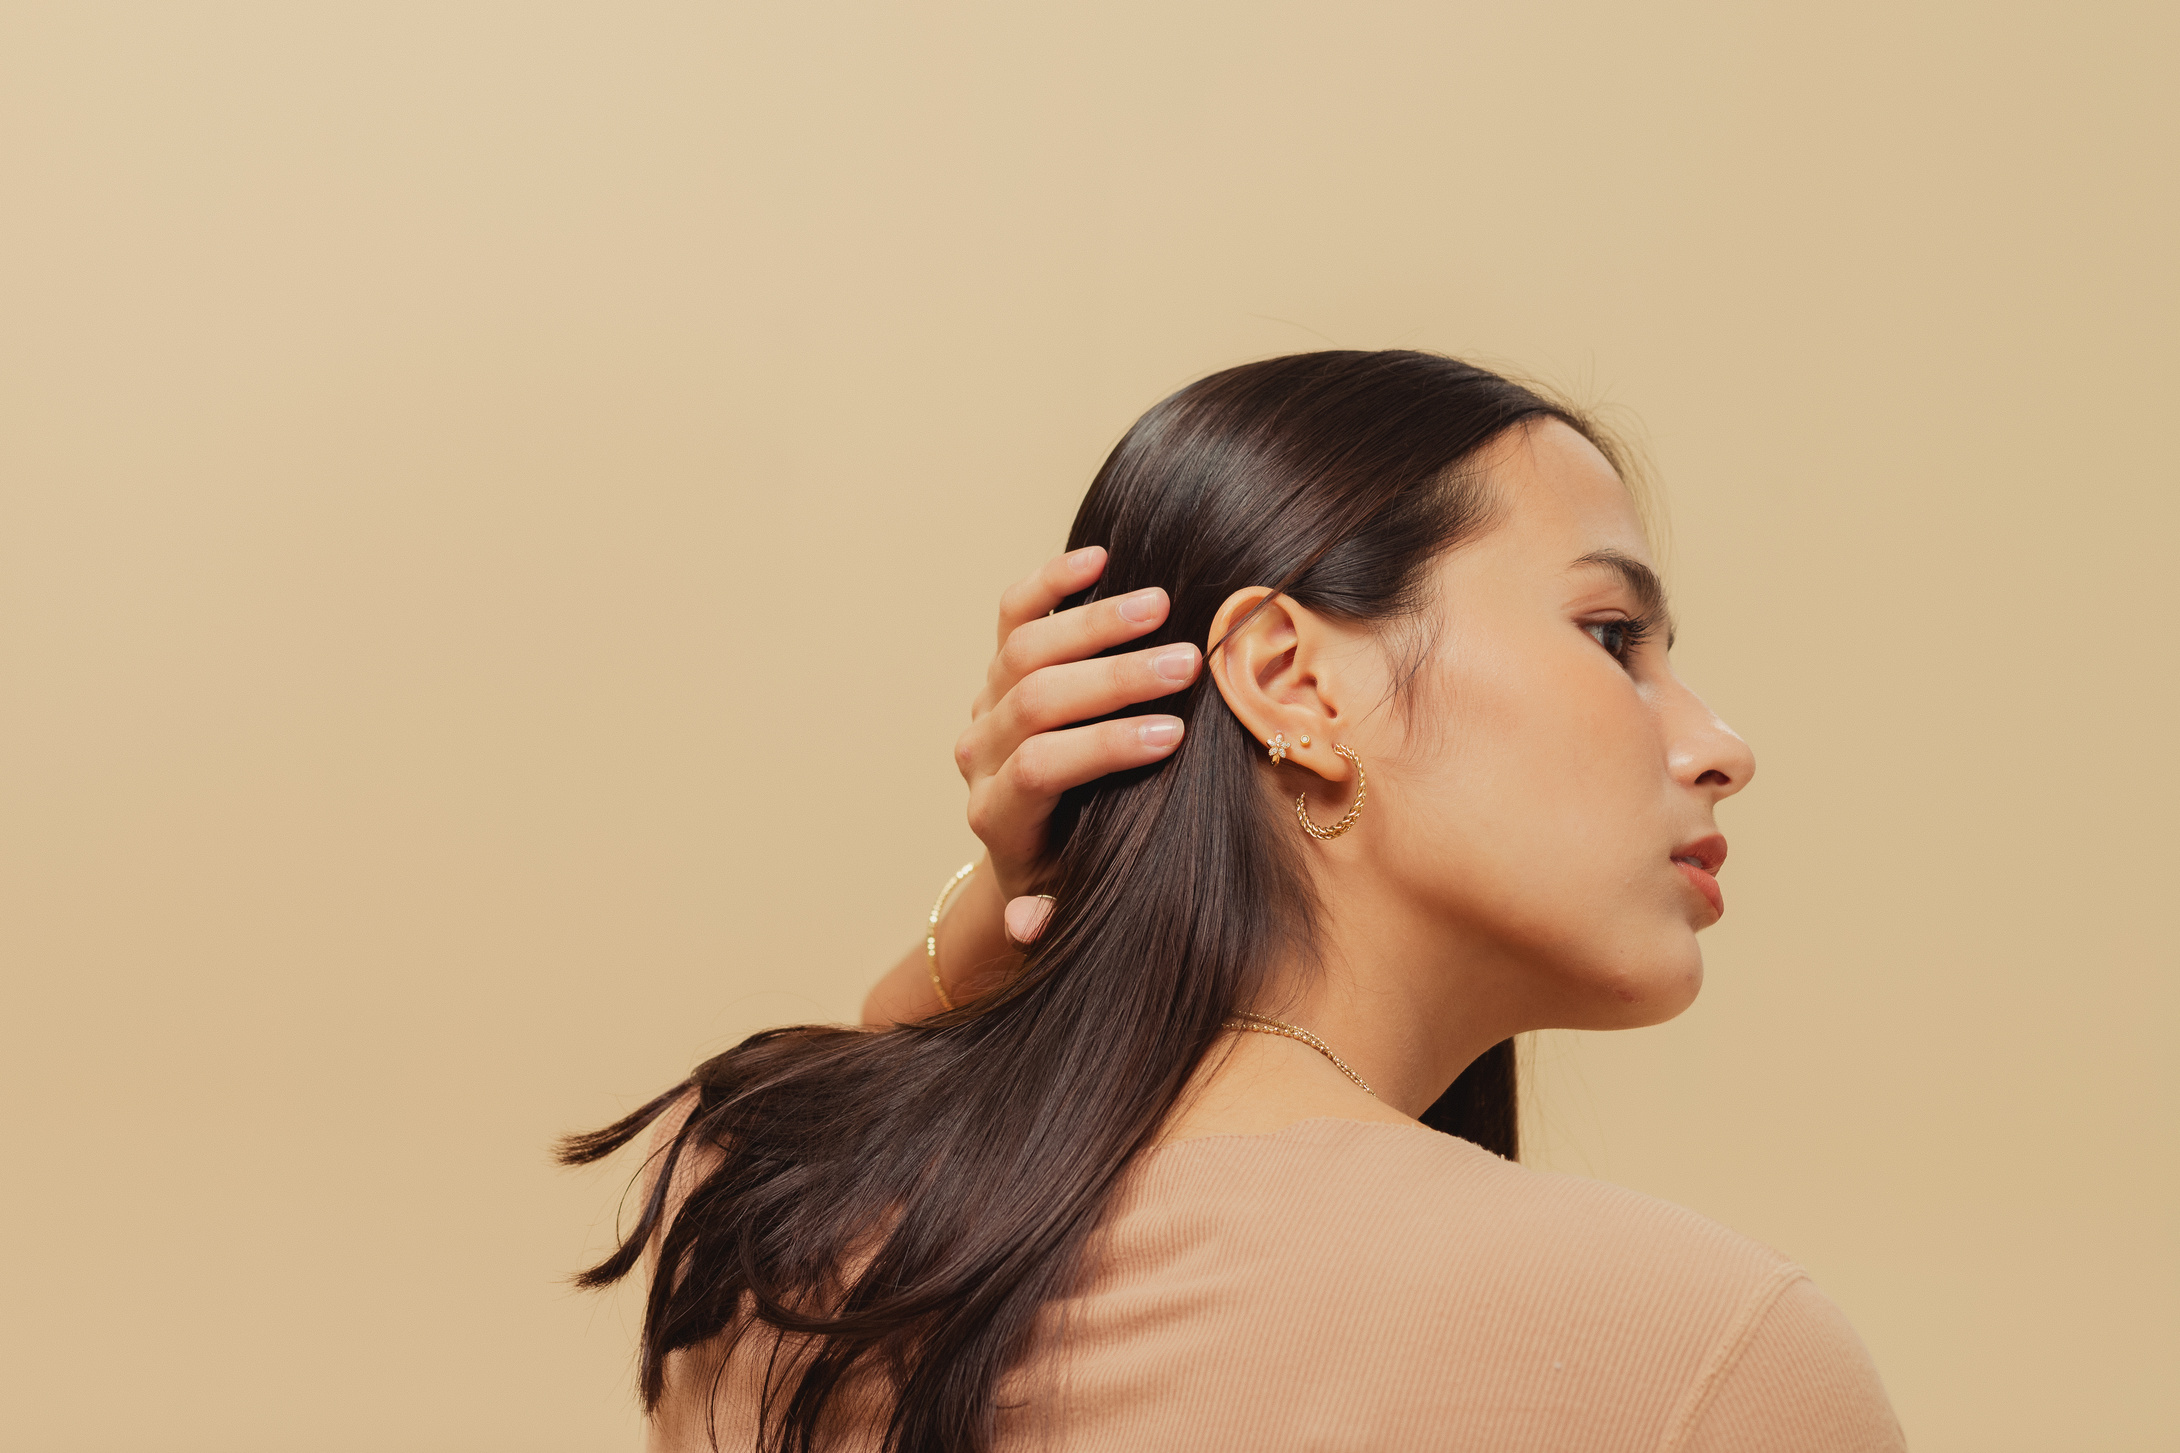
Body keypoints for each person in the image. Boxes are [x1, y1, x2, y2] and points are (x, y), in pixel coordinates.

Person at [562, 351, 1906, 1452]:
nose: (1719, 744)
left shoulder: (762, 1227)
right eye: (1614, 638)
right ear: (1294, 681)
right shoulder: (1705, 1361)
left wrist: (1015, 899)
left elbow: (907, 1092)